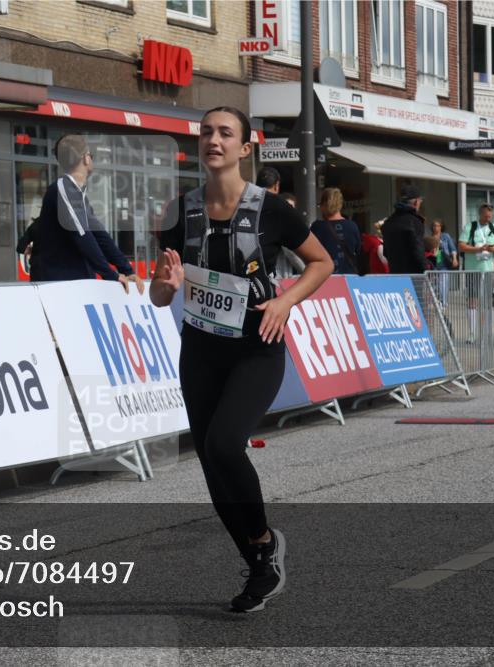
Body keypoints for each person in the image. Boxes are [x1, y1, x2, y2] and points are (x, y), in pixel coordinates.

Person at [150, 107, 332, 613]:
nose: (214, 140)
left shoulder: (272, 209)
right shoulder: (177, 212)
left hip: (257, 348)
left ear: (245, 148)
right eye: (207, 132)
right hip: (202, 350)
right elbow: (160, 294)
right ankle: (259, 563)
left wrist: (285, 300)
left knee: (226, 443)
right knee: (210, 461)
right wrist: (163, 287)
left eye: (225, 133)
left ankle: (266, 541)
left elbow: (321, 261)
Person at [28, 134, 143, 293]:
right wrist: (111, 274)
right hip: (59, 287)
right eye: (91, 155)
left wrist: (127, 270)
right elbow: (82, 235)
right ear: (86, 158)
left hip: (76, 283)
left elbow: (99, 235)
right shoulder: (63, 188)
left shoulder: (77, 194)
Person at [458, 204, 494, 342]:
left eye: (490, 216)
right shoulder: (470, 227)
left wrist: (492, 249)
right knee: (472, 301)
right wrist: (477, 249)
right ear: (480, 214)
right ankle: (472, 334)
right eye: (485, 216)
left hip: (489, 271)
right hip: (473, 270)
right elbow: (461, 245)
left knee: (488, 302)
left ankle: (489, 333)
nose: (488, 218)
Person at [310, 187, 361, 275]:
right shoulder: (352, 226)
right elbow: (358, 251)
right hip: (349, 278)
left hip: (325, 278)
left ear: (323, 205)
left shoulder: (317, 227)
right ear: (340, 205)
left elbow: (310, 254)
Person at [381, 184, 427, 274]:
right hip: (414, 277)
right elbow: (418, 252)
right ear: (416, 202)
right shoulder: (415, 222)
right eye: (420, 201)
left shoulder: (389, 222)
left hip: (395, 275)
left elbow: (385, 252)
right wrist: (426, 270)